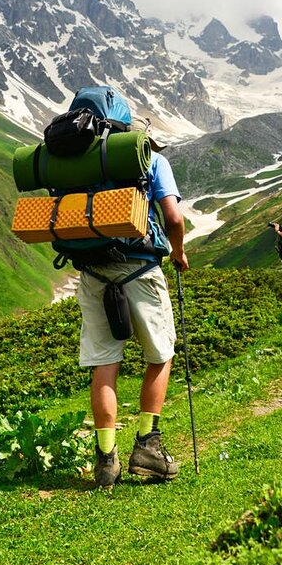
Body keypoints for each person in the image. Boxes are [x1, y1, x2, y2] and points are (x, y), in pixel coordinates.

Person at [79, 145, 189, 488]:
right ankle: (147, 447)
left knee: (105, 363)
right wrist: (179, 252)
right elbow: (173, 218)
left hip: (92, 271)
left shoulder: (79, 162)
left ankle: (106, 461)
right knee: (160, 354)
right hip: (140, 268)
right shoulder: (150, 159)